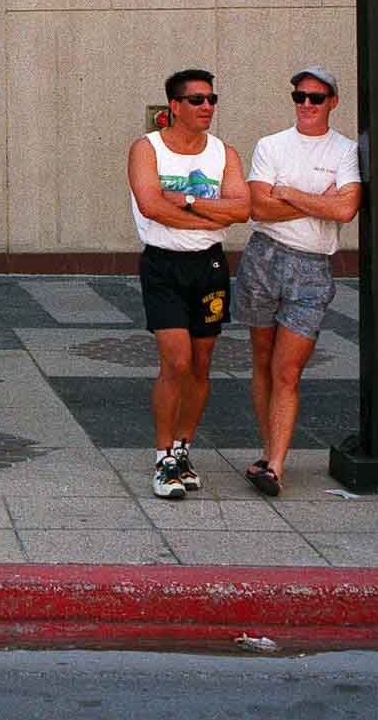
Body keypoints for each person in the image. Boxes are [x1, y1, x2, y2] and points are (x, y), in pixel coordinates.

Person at [235, 66, 362, 497]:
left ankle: (275, 464)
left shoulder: (345, 150)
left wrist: (286, 192)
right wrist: (314, 203)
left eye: (316, 97)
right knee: (262, 359)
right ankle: (269, 450)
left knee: (287, 370)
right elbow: (257, 208)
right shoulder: (271, 145)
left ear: (333, 102)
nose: (306, 104)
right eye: (300, 96)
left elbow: (346, 210)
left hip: (312, 267)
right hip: (264, 258)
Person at [127, 69, 250, 499]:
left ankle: (182, 449)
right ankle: (162, 456)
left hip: (210, 266)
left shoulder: (224, 153)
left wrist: (189, 201)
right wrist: (208, 213)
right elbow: (151, 206)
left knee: (200, 363)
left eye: (212, 99)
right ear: (174, 107)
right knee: (175, 361)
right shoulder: (148, 150)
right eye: (196, 100)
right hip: (163, 265)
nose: (206, 108)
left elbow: (241, 210)